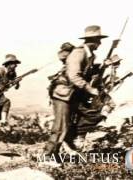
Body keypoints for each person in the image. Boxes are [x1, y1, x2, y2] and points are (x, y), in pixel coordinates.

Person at [44, 25, 108, 156]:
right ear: (92, 40)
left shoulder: (89, 55)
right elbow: (74, 76)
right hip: (63, 94)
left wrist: (103, 67)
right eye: (98, 40)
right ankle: (47, 155)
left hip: (74, 94)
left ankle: (69, 138)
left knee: (92, 115)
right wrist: (90, 89)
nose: (100, 43)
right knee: (60, 127)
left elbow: (86, 74)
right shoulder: (79, 53)